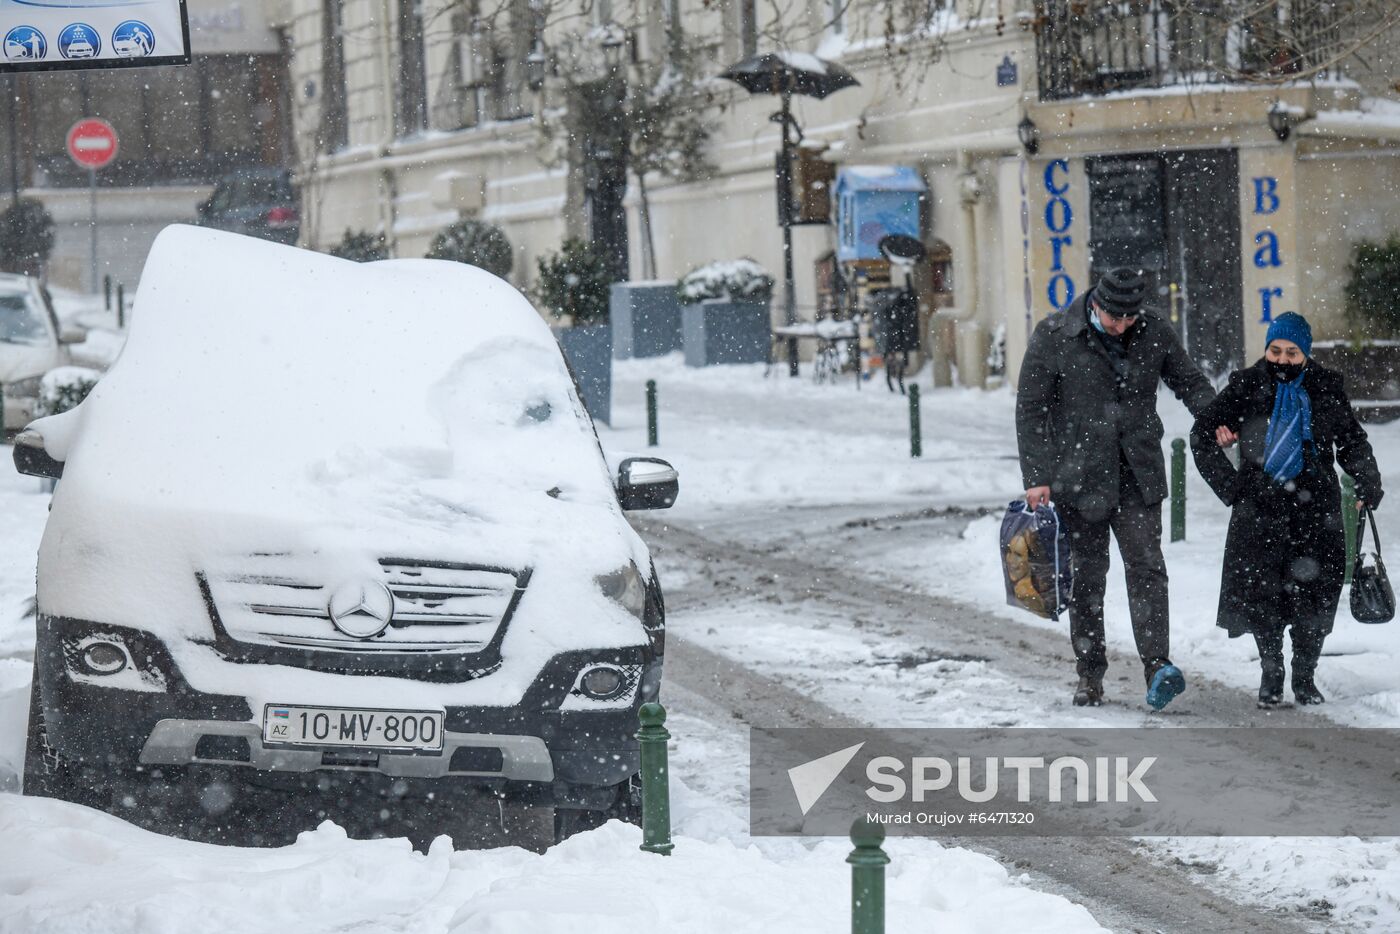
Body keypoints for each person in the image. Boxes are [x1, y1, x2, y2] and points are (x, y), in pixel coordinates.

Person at [1016, 267, 1215, 709]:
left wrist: (1217, 417)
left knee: (1147, 569)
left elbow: (1189, 382)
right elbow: (1030, 410)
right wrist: (1037, 478)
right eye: (1113, 318)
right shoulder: (1054, 335)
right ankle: (1090, 674)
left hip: (1137, 474)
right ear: (1096, 304)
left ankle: (1157, 666)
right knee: (1087, 580)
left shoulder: (1154, 331)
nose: (1122, 326)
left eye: (1129, 318)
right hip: (1077, 478)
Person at [1190, 312, 1383, 708]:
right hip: (1260, 507)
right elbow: (1202, 435)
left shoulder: (1326, 388)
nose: (1282, 359)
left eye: (1292, 352)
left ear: (1306, 354)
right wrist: (1230, 487)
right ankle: (1272, 670)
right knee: (1265, 593)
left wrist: (1367, 480)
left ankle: (1305, 675)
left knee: (1317, 594)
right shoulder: (1246, 386)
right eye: (1275, 350)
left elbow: (1351, 441)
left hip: (1316, 509)